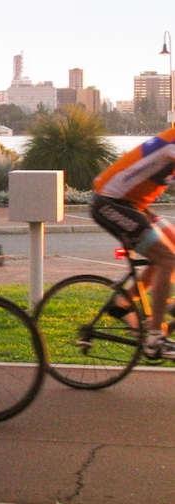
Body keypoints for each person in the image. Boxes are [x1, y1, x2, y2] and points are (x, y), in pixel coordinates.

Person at [90, 126, 175, 359]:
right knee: (168, 259)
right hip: (110, 203)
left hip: (133, 204)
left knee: (169, 250)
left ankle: (123, 303)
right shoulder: (172, 142)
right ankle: (155, 338)